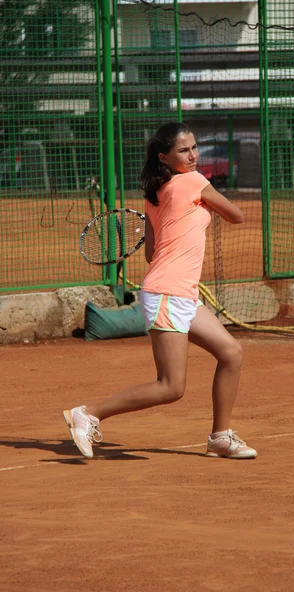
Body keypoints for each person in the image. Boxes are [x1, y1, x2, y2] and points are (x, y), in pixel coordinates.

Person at [63, 121, 257, 460]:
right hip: (169, 292)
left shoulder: (154, 197)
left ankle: (220, 437)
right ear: (164, 158)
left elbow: (153, 254)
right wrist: (206, 203)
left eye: (195, 147)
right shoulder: (196, 182)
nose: (193, 155)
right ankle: (89, 413)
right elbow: (237, 216)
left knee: (231, 353)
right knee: (171, 387)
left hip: (178, 291)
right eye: (184, 150)